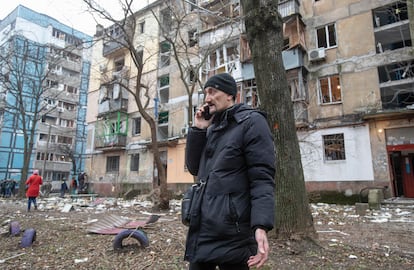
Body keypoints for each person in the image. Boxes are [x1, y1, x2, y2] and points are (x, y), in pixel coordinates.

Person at [184, 73, 276, 269]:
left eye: (213, 91)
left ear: (230, 95)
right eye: (206, 93)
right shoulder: (212, 127)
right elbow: (194, 168)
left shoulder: (251, 122)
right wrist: (199, 129)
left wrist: (261, 226)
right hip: (203, 228)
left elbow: (261, 178)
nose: (207, 98)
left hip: (234, 232)